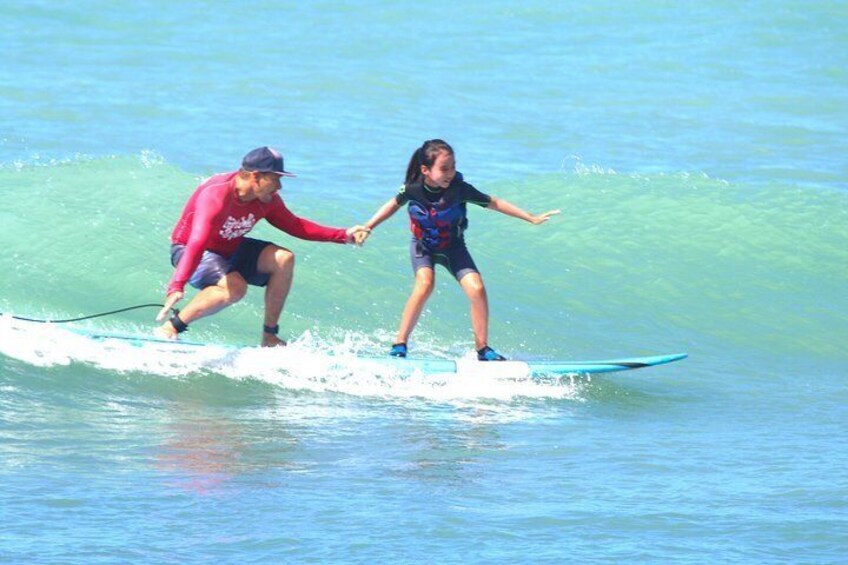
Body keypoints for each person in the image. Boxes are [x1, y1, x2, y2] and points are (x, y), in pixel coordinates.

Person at [362, 139, 559, 361]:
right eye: (444, 168)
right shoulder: (413, 189)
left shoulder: (459, 189)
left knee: (477, 289)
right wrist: (368, 226)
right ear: (425, 170)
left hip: (454, 248)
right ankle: (400, 343)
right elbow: (392, 205)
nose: (450, 173)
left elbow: (493, 202)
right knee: (425, 284)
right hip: (423, 247)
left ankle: (483, 349)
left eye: (453, 167)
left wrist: (530, 217)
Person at [156, 146, 370, 346]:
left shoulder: (266, 200)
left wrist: (343, 235)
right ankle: (171, 327)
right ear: (255, 176)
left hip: (230, 246)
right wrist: (177, 285)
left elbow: (296, 226)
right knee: (236, 288)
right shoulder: (217, 194)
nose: (279, 186)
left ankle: (269, 335)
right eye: (275, 179)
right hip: (190, 250)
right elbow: (198, 241)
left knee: (283, 259)